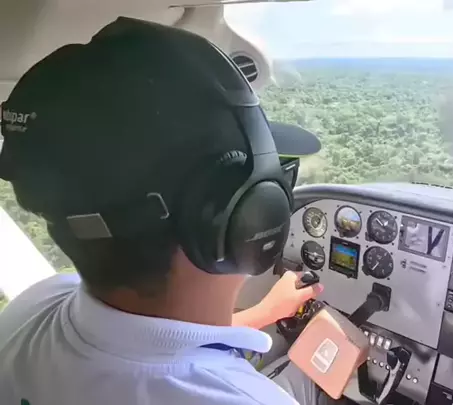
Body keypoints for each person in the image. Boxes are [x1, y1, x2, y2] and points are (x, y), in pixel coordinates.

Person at [0, 17, 337, 405]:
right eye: (279, 177)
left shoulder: (30, 312)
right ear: (241, 217)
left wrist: (263, 313)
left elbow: (151, 344)